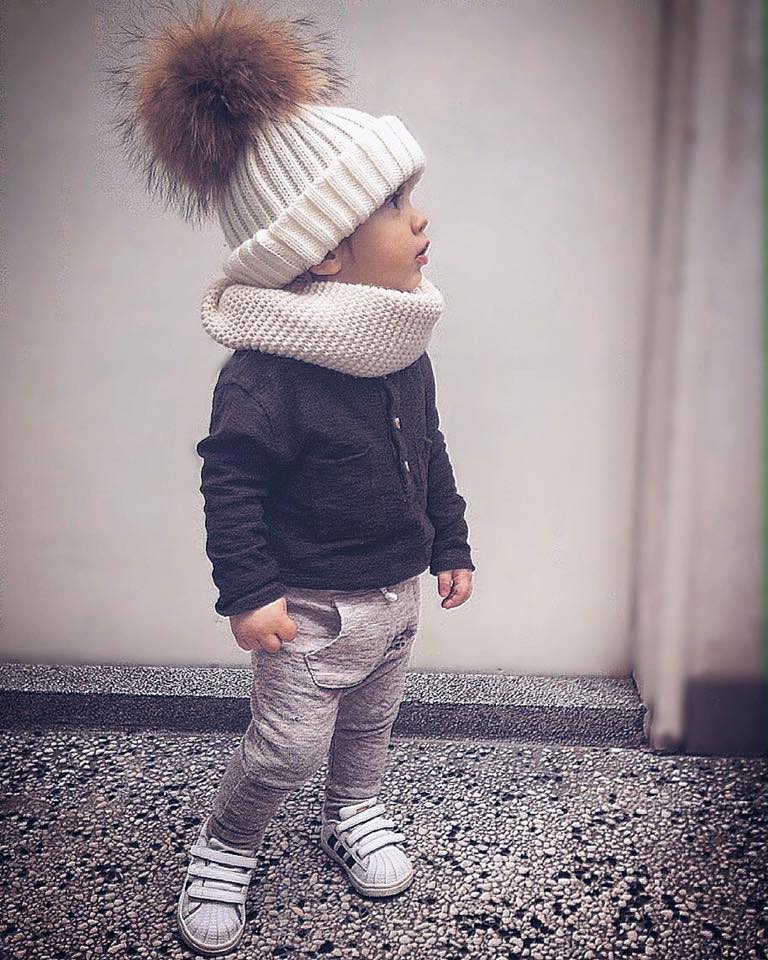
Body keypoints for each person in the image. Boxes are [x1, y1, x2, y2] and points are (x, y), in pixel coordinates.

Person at [107, 1, 476, 954]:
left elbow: (429, 450)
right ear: (323, 248)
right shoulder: (265, 375)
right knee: (285, 750)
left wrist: (451, 541)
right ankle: (226, 845)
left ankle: (354, 810)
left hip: (395, 591)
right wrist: (248, 591)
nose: (420, 217)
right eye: (394, 203)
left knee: (368, 730)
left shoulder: (401, 347)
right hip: (307, 607)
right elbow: (229, 484)